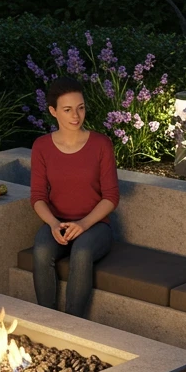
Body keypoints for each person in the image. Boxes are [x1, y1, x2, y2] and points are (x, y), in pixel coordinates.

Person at [30, 76, 120, 317]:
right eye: (68, 110)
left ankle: (73, 324)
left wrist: (83, 224)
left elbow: (111, 196)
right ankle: (46, 320)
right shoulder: (41, 146)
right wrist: (52, 223)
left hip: (95, 225)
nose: (76, 116)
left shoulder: (101, 144)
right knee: (40, 251)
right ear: (53, 111)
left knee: (81, 252)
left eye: (80, 108)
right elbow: (38, 196)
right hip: (57, 222)